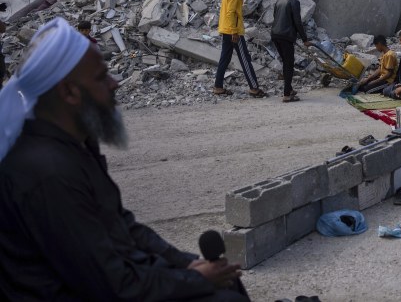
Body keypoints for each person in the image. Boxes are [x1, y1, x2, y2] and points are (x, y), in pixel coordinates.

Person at [0, 18, 249, 301]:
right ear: (68, 92)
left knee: (226, 281)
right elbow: (109, 284)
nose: (115, 84)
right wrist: (195, 278)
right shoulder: (47, 173)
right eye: (101, 77)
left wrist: (185, 263)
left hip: (121, 276)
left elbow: (123, 226)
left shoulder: (74, 147)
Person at [214, 0, 267, 98]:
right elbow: (231, 13)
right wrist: (234, 32)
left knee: (224, 59)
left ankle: (218, 86)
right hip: (234, 32)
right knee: (245, 59)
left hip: (226, 30)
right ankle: (254, 88)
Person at [272, 0, 311, 102]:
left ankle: (289, 88)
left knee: (286, 63)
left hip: (275, 35)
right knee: (289, 65)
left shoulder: (278, 2)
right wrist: (305, 39)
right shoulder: (294, 2)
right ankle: (287, 95)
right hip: (286, 37)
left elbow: (275, 17)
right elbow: (297, 22)